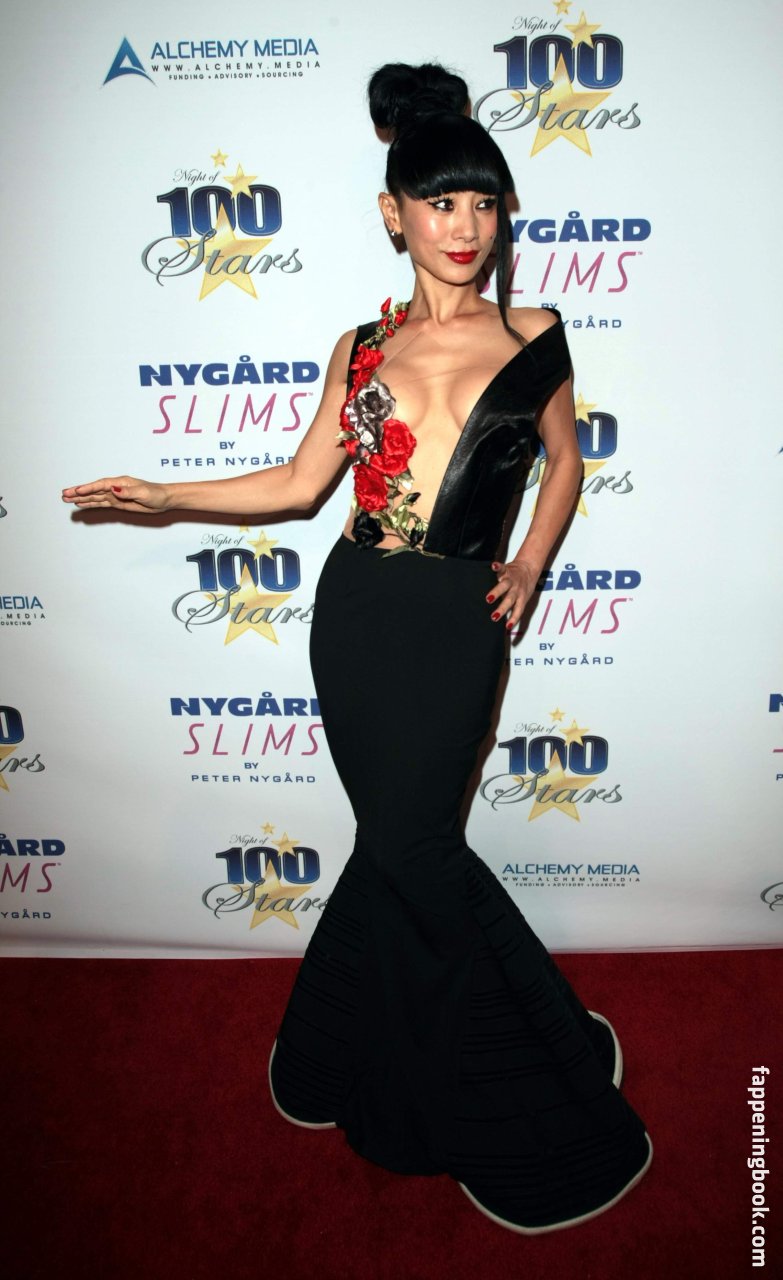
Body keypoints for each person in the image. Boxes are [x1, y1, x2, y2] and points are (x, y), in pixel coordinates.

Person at [63, 61, 653, 1234]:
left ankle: (535, 1064)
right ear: (394, 214)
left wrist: (530, 563)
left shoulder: (535, 331)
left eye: (482, 203)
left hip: (457, 621)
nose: (464, 227)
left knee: (413, 848)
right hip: (357, 615)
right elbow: (298, 484)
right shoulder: (361, 346)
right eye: (440, 203)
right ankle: (371, 1042)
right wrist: (167, 495)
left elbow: (567, 459)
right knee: (397, 847)